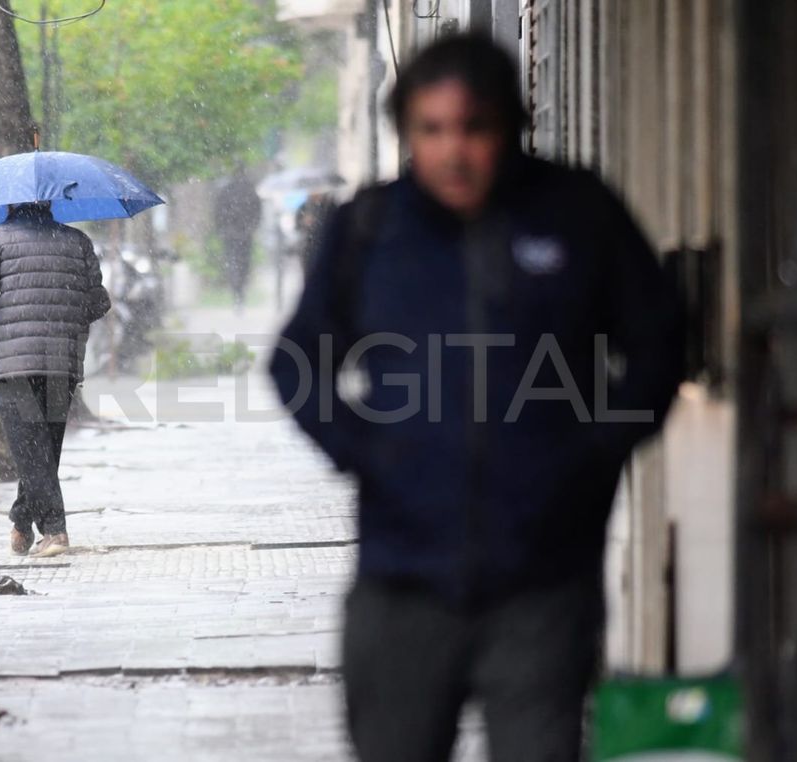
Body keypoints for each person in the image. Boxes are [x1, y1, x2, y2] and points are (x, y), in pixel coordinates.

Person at [269, 35, 684, 762]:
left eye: (474, 127)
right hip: (402, 583)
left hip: (544, 583)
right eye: (431, 130)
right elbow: (295, 361)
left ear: (513, 126)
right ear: (407, 132)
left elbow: (658, 345)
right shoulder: (369, 229)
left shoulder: (579, 214)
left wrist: (592, 455)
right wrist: (367, 453)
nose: (453, 152)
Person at [0, 202, 110, 559]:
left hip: (14, 363)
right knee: (44, 449)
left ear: (9, 202)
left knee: (31, 450)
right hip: (63, 361)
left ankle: (55, 531)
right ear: (49, 203)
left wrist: (7, 302)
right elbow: (98, 302)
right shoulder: (78, 240)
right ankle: (21, 518)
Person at [213, 167, 262, 309]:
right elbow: (257, 211)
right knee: (241, 263)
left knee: (235, 262)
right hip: (242, 233)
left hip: (235, 233)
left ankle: (238, 290)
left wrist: (222, 228)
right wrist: (252, 227)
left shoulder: (227, 191)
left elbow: (218, 212)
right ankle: (239, 290)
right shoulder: (248, 190)